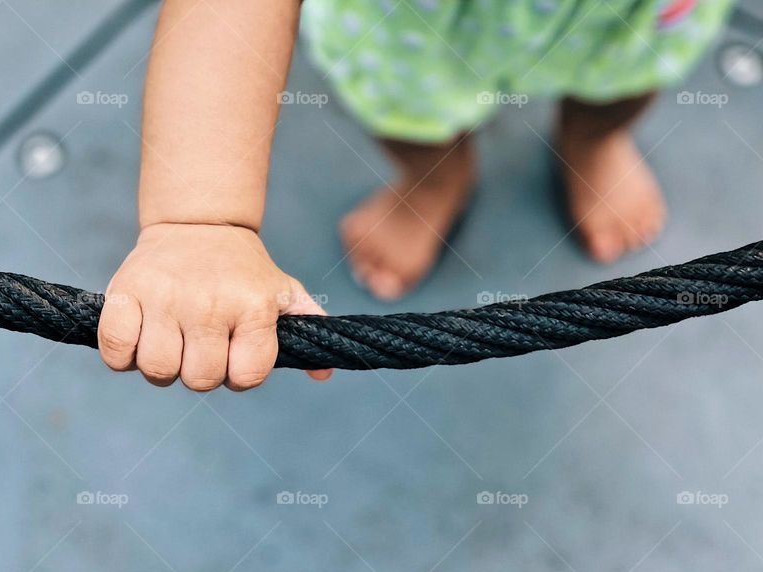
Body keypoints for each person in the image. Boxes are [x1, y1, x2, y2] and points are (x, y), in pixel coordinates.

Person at [97, 0, 734, 390]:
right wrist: (201, 220)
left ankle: (592, 143)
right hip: (419, 22)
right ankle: (436, 180)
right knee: (411, 118)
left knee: (620, 86)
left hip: (622, 15)